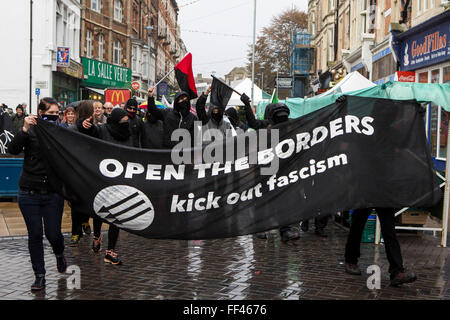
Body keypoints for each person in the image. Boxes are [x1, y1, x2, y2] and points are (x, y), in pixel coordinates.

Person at [7, 97, 67, 291]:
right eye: (50, 114)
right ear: (40, 113)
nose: (54, 117)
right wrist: (24, 128)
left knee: (53, 233)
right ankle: (39, 275)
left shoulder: (61, 131)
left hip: (52, 193)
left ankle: (59, 253)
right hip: (29, 192)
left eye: (57, 113)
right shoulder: (30, 130)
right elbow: (13, 149)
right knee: (35, 234)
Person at [240, 93, 300, 243]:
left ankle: (284, 230)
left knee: (284, 199)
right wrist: (247, 105)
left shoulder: (291, 124)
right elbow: (252, 122)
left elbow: (315, 121)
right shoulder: (265, 125)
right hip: (265, 167)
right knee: (263, 198)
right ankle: (259, 227)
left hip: (283, 167)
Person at [90, 108, 133, 265]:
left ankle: (110, 251)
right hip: (101, 177)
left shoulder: (128, 134)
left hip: (120, 180)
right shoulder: (102, 130)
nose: (125, 124)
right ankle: (96, 236)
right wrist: (84, 123)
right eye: (122, 122)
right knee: (99, 212)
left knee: (116, 215)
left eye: (126, 121)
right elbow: (88, 133)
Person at [344, 207, 417, 286]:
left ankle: (397, 272)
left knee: (389, 231)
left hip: (383, 197)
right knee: (357, 226)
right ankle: (351, 260)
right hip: (365, 196)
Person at [68, 101, 96, 245]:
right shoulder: (75, 128)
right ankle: (80, 226)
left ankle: (76, 231)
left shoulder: (74, 128)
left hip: (77, 170)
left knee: (77, 202)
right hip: (87, 170)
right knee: (83, 200)